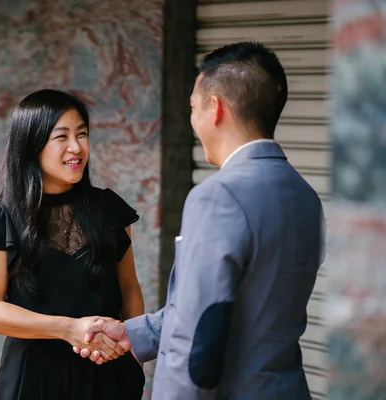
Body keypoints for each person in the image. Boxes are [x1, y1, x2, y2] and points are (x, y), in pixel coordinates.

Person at [75, 41, 326, 400]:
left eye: (193, 108)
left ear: (215, 108)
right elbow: (244, 309)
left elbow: (197, 334)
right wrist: (135, 333)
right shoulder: (306, 196)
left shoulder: (219, 196)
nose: (192, 121)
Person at [0, 89, 145, 400]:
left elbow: (129, 287)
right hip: (34, 378)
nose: (76, 147)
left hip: (108, 372)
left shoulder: (109, 210)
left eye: (82, 134)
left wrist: (133, 351)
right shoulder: (0, 219)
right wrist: (68, 329)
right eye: (61, 137)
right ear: (32, 146)